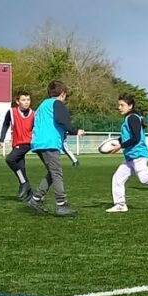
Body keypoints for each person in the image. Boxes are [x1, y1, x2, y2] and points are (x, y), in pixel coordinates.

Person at [26, 81, 84, 216]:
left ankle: (36, 199)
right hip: (50, 143)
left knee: (52, 173)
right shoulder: (57, 104)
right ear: (63, 94)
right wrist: (75, 131)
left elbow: (33, 124)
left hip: (38, 143)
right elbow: (62, 121)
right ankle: (61, 204)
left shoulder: (42, 106)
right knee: (57, 173)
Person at [0, 90, 35, 200]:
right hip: (16, 143)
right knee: (21, 169)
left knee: (10, 159)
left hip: (27, 143)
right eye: (23, 100)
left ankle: (24, 184)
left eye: (28, 100)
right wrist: (1, 139)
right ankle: (29, 194)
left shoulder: (34, 114)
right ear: (17, 101)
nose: (26, 102)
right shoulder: (11, 112)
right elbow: (5, 125)